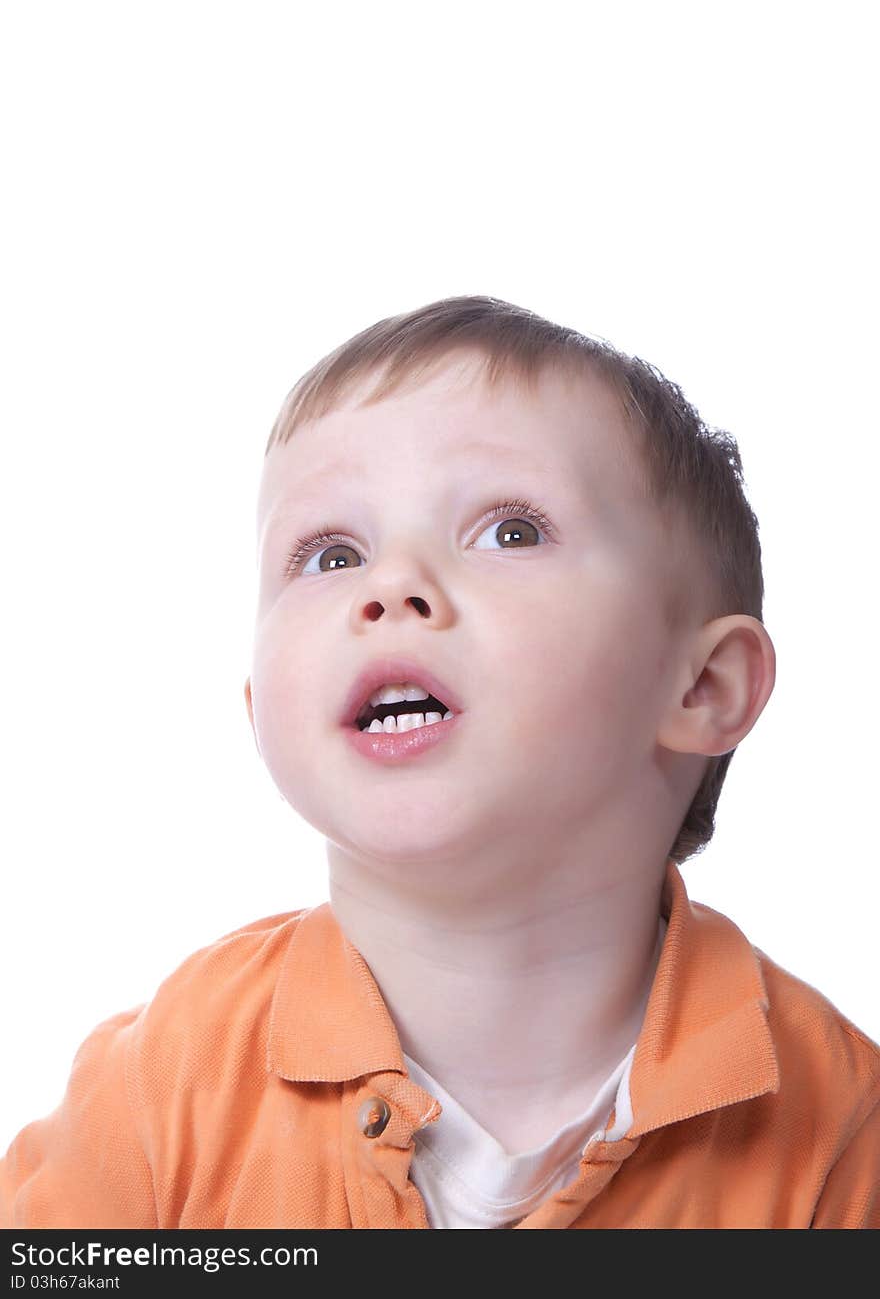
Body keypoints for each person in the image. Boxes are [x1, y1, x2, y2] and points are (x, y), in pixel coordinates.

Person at [2, 295, 877, 1229]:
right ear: (262, 714)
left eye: (511, 530)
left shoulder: (836, 1135)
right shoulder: (159, 1090)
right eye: (331, 553)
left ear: (701, 687)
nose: (390, 586)